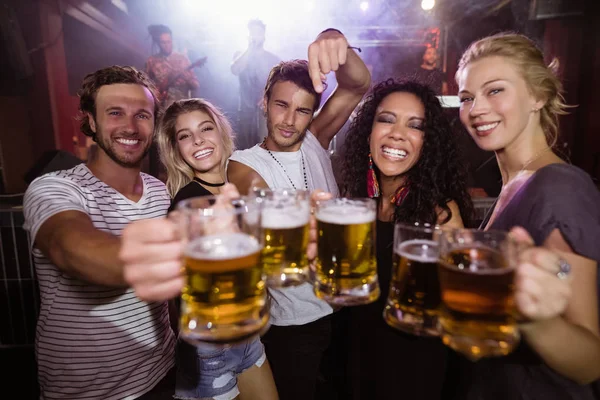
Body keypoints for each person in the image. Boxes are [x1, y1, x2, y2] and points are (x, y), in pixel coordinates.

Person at [451, 32, 600, 399]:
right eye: (467, 98)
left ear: (539, 96)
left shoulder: (560, 187)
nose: (476, 109)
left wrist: (536, 322)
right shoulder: (515, 184)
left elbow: (590, 359)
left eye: (495, 90)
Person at [227, 27, 371, 400]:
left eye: (303, 109)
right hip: (295, 324)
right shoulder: (242, 164)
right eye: (281, 105)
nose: (290, 120)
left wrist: (334, 40)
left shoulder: (315, 138)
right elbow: (254, 194)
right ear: (265, 102)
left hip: (344, 309)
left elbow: (357, 85)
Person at [22, 66, 176, 400]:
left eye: (142, 115)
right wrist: (196, 251)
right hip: (86, 392)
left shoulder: (159, 192)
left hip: (162, 371)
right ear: (91, 121)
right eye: (115, 113)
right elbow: (72, 249)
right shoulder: (55, 188)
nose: (130, 127)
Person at [338, 78, 473, 399]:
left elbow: (462, 312)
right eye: (386, 119)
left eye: (415, 126)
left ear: (427, 143)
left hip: (413, 368)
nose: (397, 133)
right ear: (369, 132)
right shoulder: (355, 201)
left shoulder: (440, 213)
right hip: (356, 359)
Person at [156, 98, 279, 400]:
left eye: (205, 128)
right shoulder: (187, 204)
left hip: (247, 339)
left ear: (221, 132)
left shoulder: (235, 189)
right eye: (184, 136)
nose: (198, 140)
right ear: (177, 150)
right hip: (209, 348)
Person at [231, 19, 280, 150]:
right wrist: (249, 49)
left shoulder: (272, 59)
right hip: (245, 110)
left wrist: (267, 95)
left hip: (264, 110)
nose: (255, 36)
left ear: (264, 36)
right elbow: (235, 70)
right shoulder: (241, 55)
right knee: (244, 147)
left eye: (258, 33)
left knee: (263, 144)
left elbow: (280, 85)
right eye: (252, 33)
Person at [146, 24, 202, 107]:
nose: (166, 45)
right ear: (158, 43)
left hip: (181, 106)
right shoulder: (151, 61)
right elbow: (145, 86)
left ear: (172, 41)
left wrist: (188, 79)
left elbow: (196, 85)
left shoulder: (182, 59)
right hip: (161, 107)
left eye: (169, 42)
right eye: (163, 42)